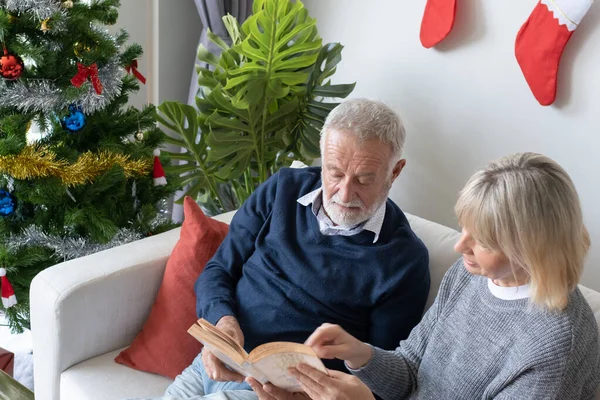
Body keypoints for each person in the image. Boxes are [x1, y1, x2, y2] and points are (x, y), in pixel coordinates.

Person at [249, 152, 600, 400]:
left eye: (483, 240)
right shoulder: (470, 277)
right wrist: (361, 355)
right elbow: (412, 371)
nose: (460, 245)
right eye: (464, 228)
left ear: (531, 247)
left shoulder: (555, 343)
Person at [158, 98, 430, 400]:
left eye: (364, 179)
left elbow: (381, 376)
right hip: (215, 363)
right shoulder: (283, 188)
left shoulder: (404, 260)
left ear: (395, 172)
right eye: (335, 173)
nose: (344, 193)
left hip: (282, 394)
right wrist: (222, 323)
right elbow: (218, 270)